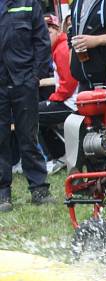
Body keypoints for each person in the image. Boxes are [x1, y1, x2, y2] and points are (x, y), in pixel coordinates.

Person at [0, 0, 55, 212]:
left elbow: (41, 41)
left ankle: (39, 189)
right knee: (1, 138)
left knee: (29, 135)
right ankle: (3, 194)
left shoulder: (29, 3)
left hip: (24, 81)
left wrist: (35, 76)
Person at [38, 14, 79, 164]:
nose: (45, 36)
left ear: (57, 30)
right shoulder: (58, 47)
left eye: (48, 32)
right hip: (70, 100)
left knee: (31, 115)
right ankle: (59, 155)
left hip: (71, 103)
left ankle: (53, 158)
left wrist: (54, 97)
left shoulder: (61, 49)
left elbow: (69, 83)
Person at [68, 0, 106, 91]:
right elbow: (71, 31)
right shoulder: (77, 2)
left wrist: (97, 40)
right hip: (84, 83)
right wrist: (71, 61)